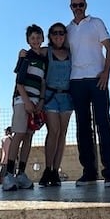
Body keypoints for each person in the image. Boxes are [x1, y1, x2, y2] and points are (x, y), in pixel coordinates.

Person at [66, 0, 110, 187]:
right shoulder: (68, 29)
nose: (78, 7)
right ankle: (88, 171)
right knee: (82, 127)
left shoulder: (96, 23)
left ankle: (109, 171)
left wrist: (106, 73)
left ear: (86, 5)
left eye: (81, 4)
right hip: (76, 81)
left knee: (103, 123)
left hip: (97, 79)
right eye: (74, 5)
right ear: (70, 7)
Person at [2, 24, 47, 192]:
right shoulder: (25, 56)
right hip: (22, 99)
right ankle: (8, 174)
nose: (35, 40)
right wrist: (27, 101)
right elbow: (19, 81)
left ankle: (21, 173)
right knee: (19, 134)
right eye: (32, 38)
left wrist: (40, 101)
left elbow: (43, 82)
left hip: (35, 101)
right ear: (28, 40)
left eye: (38, 37)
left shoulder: (44, 60)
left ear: (42, 38)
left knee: (28, 137)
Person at [38, 22, 73, 187]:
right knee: (53, 131)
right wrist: (22, 53)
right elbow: (33, 52)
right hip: (51, 96)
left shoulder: (71, 53)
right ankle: (47, 168)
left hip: (67, 97)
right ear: (50, 36)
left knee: (62, 134)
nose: (58, 36)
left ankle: (55, 171)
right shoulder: (47, 51)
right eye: (55, 33)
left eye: (61, 33)